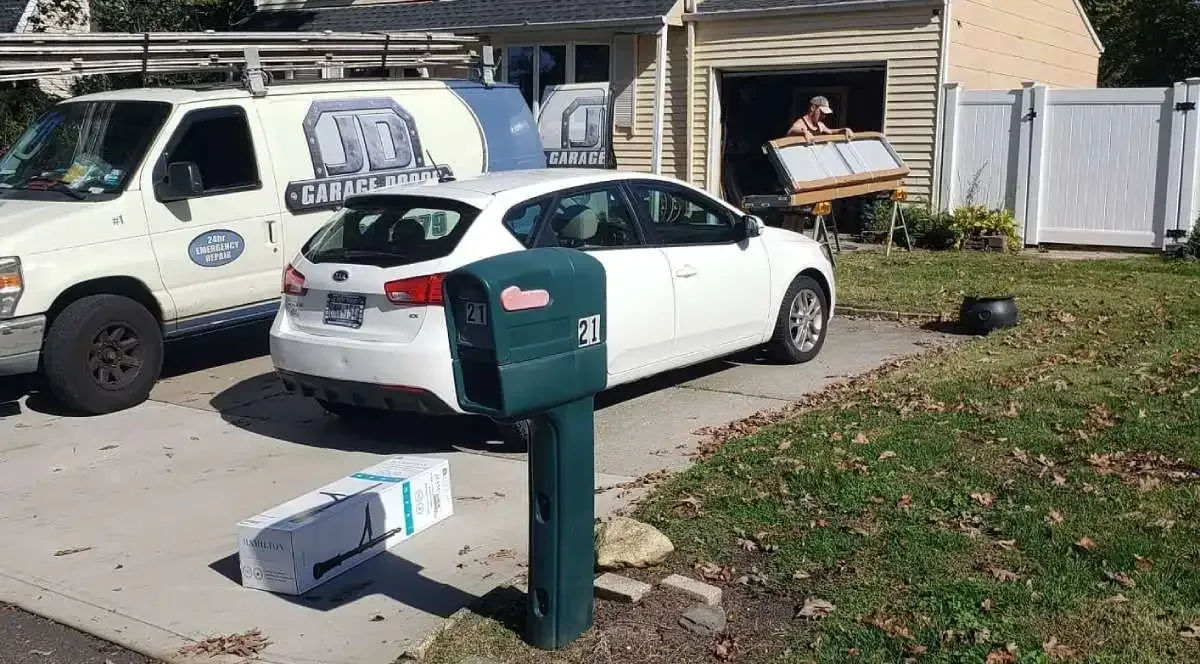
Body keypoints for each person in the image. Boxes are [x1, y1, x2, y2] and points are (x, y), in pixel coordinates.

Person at [787, 95, 854, 141]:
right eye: (821, 113)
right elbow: (791, 131)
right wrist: (804, 132)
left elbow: (831, 131)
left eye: (825, 114)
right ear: (813, 108)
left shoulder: (820, 125)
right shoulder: (801, 123)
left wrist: (844, 130)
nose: (823, 116)